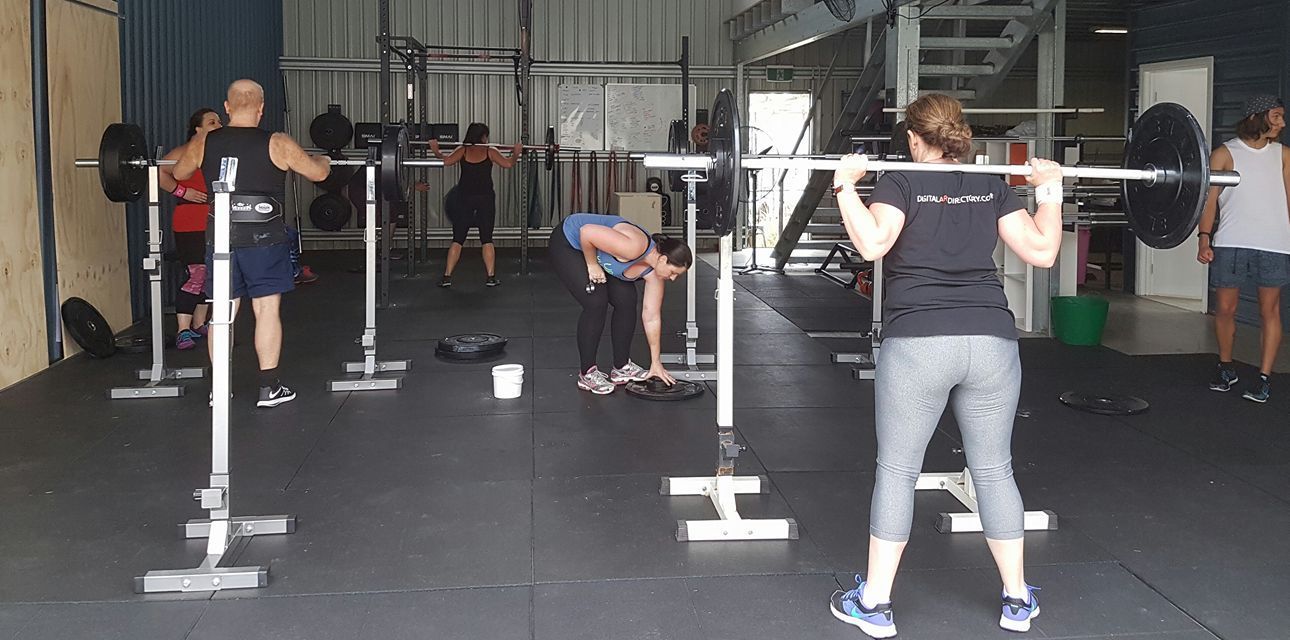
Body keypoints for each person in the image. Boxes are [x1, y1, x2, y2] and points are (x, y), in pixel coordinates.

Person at [826, 93, 1063, 638]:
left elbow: (872, 244)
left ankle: (875, 604)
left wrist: (844, 185)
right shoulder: (990, 184)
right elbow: (1042, 252)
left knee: (898, 471)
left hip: (920, 342)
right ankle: (1017, 600)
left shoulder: (900, 181)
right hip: (991, 340)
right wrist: (1049, 189)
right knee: (994, 470)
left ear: (913, 138)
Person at [173, 79, 331, 408]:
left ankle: (219, 390)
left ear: (227, 108)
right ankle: (269, 388)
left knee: (222, 312)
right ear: (261, 108)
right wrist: (326, 161)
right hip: (264, 240)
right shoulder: (277, 142)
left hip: (221, 239)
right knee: (266, 309)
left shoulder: (205, 141)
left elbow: (180, 172)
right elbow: (318, 174)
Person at [1196, 94, 1290, 403]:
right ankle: (1226, 367)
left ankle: (1264, 378)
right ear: (1256, 117)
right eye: (1276, 116)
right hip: (1231, 241)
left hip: (1274, 242)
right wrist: (1204, 237)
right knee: (1225, 309)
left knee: (1269, 311)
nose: (1282, 123)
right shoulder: (1224, 153)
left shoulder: (1284, 155)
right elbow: (1209, 201)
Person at [549, 214, 693, 394]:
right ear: (663, 259)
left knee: (626, 300)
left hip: (599, 250)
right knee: (596, 301)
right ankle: (587, 373)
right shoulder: (633, 247)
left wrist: (655, 363)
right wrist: (592, 265)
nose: (673, 279)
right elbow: (586, 232)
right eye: (673, 273)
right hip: (570, 241)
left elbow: (651, 317)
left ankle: (621, 367)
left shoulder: (655, 275)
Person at [429, 123, 522, 288]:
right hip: (485, 199)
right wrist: (516, 154)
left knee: (458, 239)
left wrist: (436, 150)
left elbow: (446, 161)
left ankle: (447, 277)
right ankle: (491, 277)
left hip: (464, 198)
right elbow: (508, 164)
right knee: (486, 238)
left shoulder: (463, 150)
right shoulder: (490, 151)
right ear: (483, 137)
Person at [159, 108, 221, 350]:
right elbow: (158, 172)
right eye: (212, 122)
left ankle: (198, 324)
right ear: (198, 129)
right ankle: (182, 331)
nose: (218, 125)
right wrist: (182, 191)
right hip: (190, 221)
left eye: (219, 121)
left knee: (212, 273)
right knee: (197, 274)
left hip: (214, 220)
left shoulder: (219, 152)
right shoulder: (184, 152)